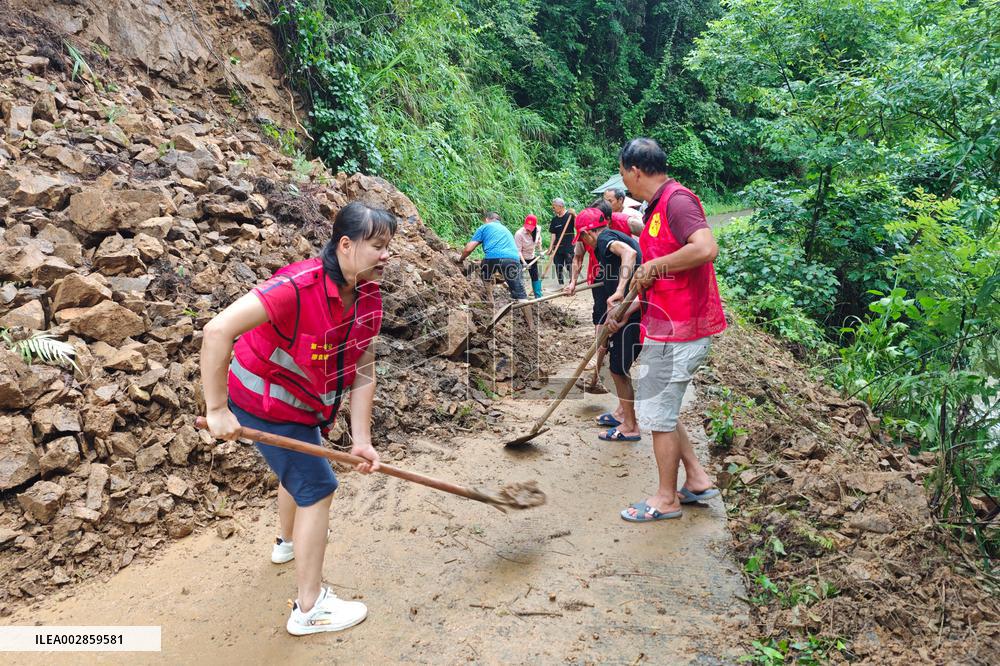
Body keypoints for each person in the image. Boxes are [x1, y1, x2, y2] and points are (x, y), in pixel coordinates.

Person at [200, 202, 394, 633]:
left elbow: (363, 369)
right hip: (261, 401)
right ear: (345, 245)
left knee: (302, 469)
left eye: (388, 247)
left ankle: (287, 543)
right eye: (377, 246)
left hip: (303, 405)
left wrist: (361, 439)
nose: (386, 256)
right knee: (318, 486)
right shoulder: (297, 286)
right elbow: (217, 331)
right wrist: (216, 410)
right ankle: (309, 609)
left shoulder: (368, 296)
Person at [616, 137, 728, 523]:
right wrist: (629, 306)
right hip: (664, 324)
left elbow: (705, 248)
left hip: (682, 328)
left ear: (633, 170)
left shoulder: (677, 201)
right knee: (661, 408)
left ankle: (666, 499)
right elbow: (657, 271)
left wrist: (655, 267)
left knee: (657, 415)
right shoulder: (656, 207)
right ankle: (695, 479)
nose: (623, 180)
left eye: (622, 173)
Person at [571, 207, 644, 441]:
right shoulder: (608, 237)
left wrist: (620, 291)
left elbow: (630, 254)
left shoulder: (604, 239)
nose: (583, 242)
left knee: (617, 369)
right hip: (628, 312)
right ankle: (623, 413)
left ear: (587, 233)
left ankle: (630, 427)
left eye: (581, 237)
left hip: (632, 312)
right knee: (619, 366)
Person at [456, 212, 527, 300]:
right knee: (520, 293)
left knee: (485, 272)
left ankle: (490, 299)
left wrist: (460, 259)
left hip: (492, 259)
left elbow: (468, 249)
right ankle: (523, 304)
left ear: (486, 219)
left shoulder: (484, 227)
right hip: (513, 260)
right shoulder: (506, 229)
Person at [514, 214, 545, 298]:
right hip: (520, 258)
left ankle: (538, 296)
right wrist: (524, 263)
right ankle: (521, 296)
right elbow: (518, 251)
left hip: (531, 257)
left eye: (530, 229)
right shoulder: (519, 234)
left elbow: (538, 240)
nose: (528, 230)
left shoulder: (538, 229)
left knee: (535, 276)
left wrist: (540, 251)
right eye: (527, 228)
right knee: (519, 278)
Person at [548, 198, 576, 285]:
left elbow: (578, 225)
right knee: (558, 266)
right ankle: (561, 284)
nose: (553, 209)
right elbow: (553, 235)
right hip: (558, 246)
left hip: (569, 245)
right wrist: (550, 248)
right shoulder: (554, 220)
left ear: (560, 206)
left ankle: (572, 283)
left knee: (569, 264)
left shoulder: (569, 216)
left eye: (554, 207)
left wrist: (575, 215)